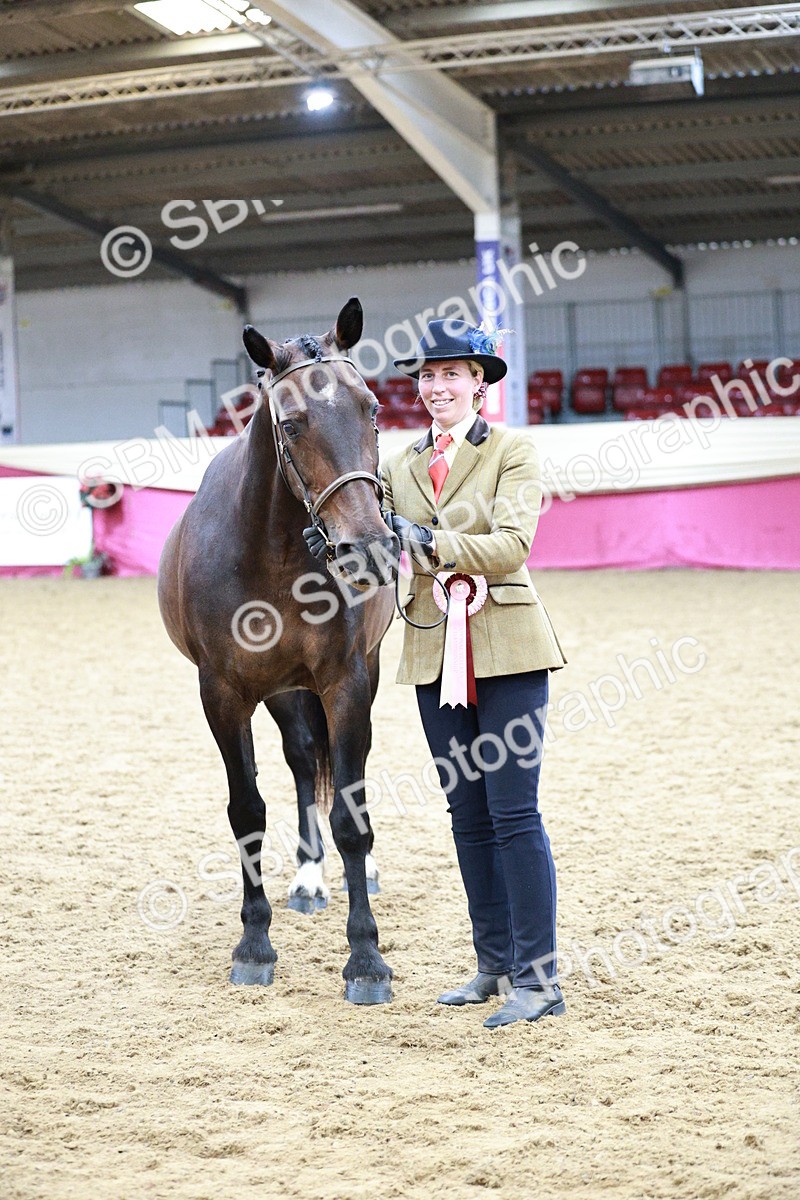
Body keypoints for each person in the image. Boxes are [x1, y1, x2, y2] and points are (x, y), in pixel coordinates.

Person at [380, 318, 568, 1029]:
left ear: (479, 384)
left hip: (509, 645)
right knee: (468, 814)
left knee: (515, 812)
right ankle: (493, 965)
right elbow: (379, 550)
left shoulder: (513, 451)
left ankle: (539, 978)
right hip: (434, 649)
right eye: (426, 376)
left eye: (451, 375)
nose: (435, 388)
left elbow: (512, 544)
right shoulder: (397, 464)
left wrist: (426, 539)